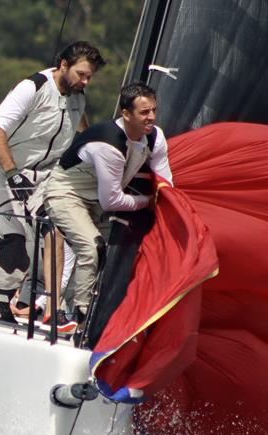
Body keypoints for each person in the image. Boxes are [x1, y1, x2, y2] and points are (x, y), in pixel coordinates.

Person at [0, 41, 106, 323]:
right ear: (63, 65)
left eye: (89, 77)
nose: (85, 81)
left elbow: (81, 132)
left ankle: (52, 311)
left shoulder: (77, 95)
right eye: (81, 74)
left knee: (53, 229)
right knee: (16, 241)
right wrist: (13, 174)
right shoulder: (33, 87)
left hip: (44, 175)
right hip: (1, 170)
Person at [42, 81, 173, 327]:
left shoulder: (155, 138)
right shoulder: (108, 144)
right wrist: (147, 203)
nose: (152, 117)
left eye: (154, 110)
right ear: (126, 114)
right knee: (93, 248)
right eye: (144, 112)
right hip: (66, 195)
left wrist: (169, 203)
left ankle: (91, 316)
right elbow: (111, 199)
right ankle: (78, 317)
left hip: (99, 201)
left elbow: (165, 180)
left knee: (111, 255)